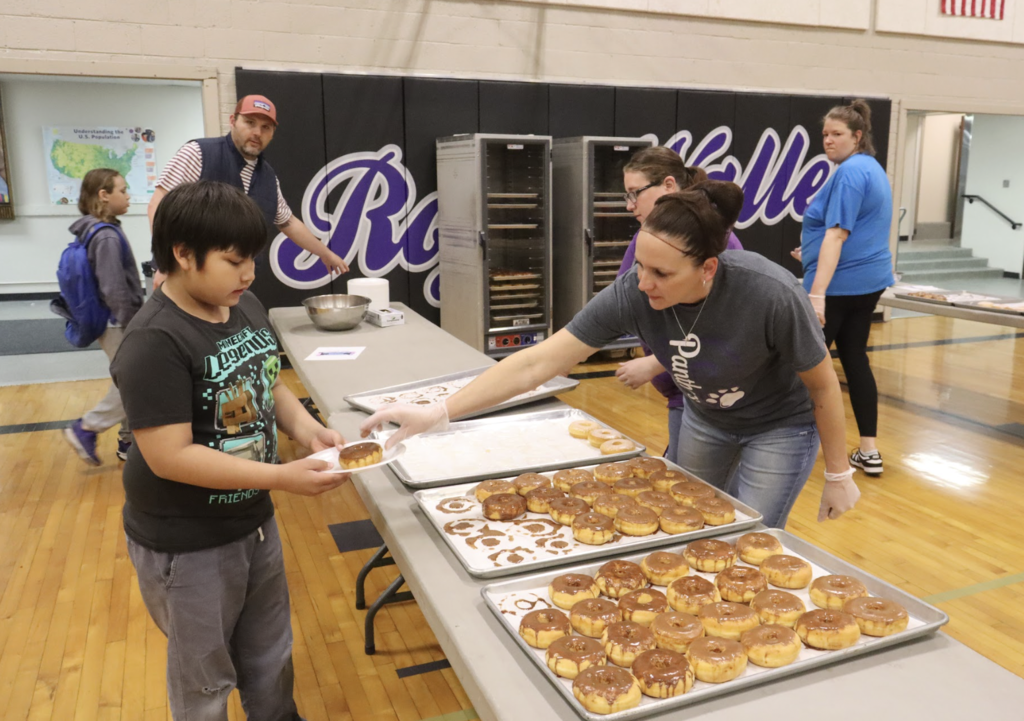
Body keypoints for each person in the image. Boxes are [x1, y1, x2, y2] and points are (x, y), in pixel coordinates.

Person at [363, 181, 860, 528]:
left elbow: (822, 386)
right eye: (640, 265)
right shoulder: (632, 292)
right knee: (685, 520)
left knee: (752, 534)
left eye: (662, 274)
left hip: (779, 425)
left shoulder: (769, 293)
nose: (644, 283)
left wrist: (838, 474)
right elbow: (538, 362)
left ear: (708, 269)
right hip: (706, 418)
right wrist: (440, 412)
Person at [111, 181, 350, 720]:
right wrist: (283, 477)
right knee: (204, 681)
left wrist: (308, 430)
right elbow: (170, 456)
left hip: (253, 522)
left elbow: (270, 382)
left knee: (270, 656)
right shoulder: (153, 341)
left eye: (252, 260)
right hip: (187, 543)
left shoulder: (241, 304)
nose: (248, 274)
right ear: (182, 253)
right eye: (234, 261)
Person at [614, 147, 743, 463]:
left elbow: (720, 328)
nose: (630, 205)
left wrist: (656, 362)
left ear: (669, 185)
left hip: (706, 396)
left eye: (635, 193)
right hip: (680, 391)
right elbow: (621, 301)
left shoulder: (718, 242)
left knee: (691, 482)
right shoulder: (647, 236)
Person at [794, 99, 894, 476]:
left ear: (857, 136)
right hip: (867, 282)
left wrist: (816, 294)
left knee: (805, 367)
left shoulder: (850, 173)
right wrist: (810, 252)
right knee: (854, 358)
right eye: (825, 134)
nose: (828, 141)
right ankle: (868, 450)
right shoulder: (870, 167)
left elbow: (837, 235)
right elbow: (857, 230)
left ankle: (793, 447)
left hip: (839, 286)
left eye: (837, 134)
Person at [148, 94, 348, 282]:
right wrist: (165, 264)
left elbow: (288, 222)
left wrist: (325, 254)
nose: (257, 133)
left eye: (265, 127)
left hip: (238, 283)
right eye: (250, 122)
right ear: (233, 121)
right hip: (190, 278)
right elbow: (159, 204)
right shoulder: (198, 153)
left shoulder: (269, 177)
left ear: (272, 133)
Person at [62, 168, 144, 465]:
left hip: (110, 322)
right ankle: (86, 428)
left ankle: (128, 440)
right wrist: (133, 325)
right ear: (103, 195)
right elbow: (113, 288)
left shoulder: (95, 229)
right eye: (123, 190)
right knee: (135, 382)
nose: (128, 196)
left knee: (128, 379)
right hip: (117, 322)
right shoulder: (106, 235)